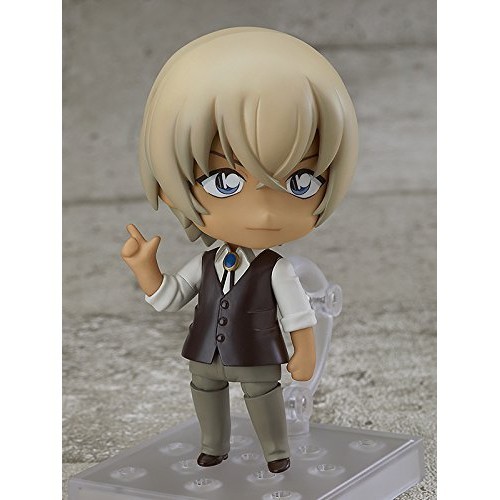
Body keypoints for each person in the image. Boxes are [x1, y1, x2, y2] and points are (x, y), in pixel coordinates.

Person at [121, 27, 358, 474]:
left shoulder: (277, 269)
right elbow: (170, 297)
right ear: (171, 188)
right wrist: (145, 268)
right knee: (205, 395)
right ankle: (213, 446)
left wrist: (304, 352)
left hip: (257, 358)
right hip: (205, 356)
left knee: (263, 399)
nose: (265, 212)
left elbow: (299, 314)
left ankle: (276, 451)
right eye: (224, 181)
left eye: (301, 181)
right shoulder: (205, 263)